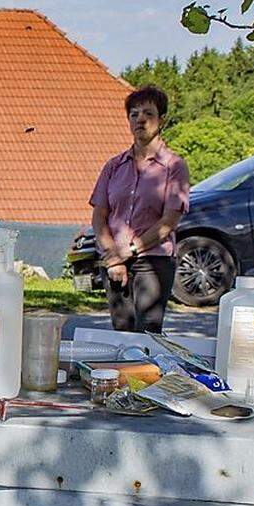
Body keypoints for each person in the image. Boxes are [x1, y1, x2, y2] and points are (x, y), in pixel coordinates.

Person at [90, 85, 190, 334]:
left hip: (153, 261)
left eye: (148, 113)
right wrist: (113, 257)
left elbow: (169, 222)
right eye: (134, 114)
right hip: (114, 261)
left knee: (148, 334)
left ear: (161, 120)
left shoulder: (174, 167)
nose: (140, 120)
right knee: (122, 333)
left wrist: (129, 250)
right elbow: (99, 216)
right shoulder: (114, 166)